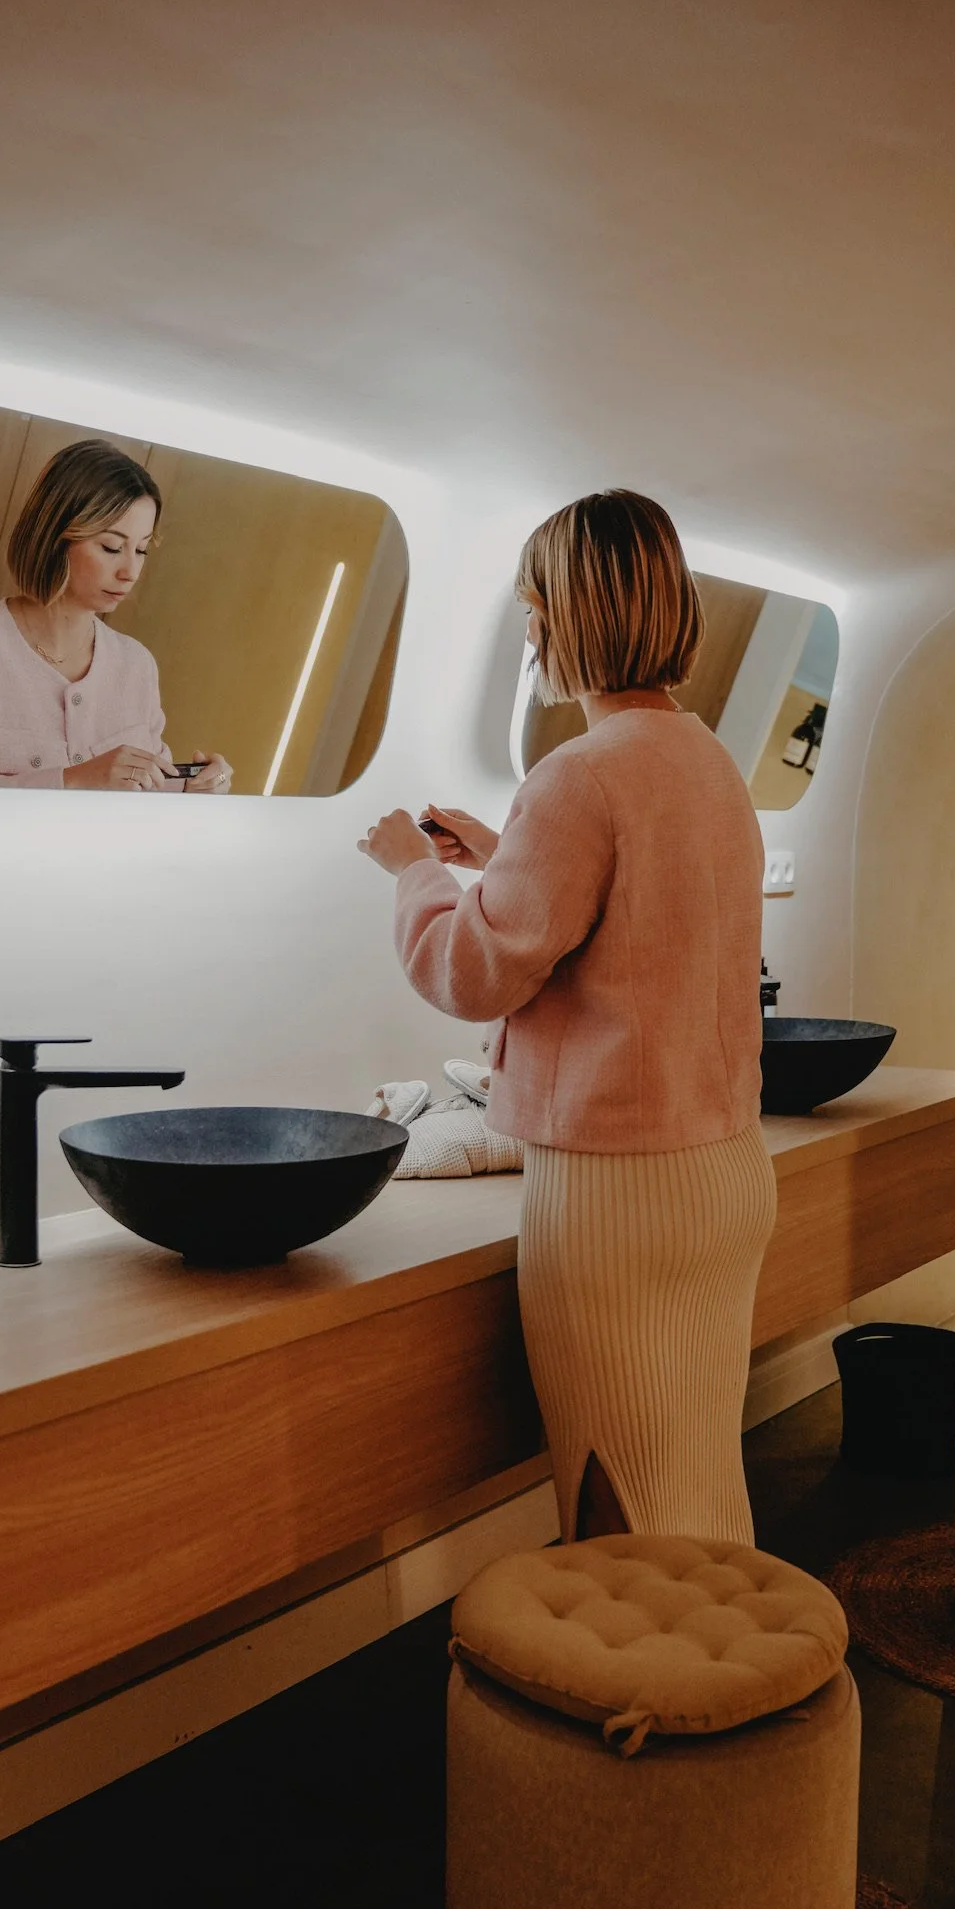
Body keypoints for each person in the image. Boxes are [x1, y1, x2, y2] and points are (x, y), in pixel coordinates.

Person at [358, 490, 772, 1545]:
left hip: (614, 1196)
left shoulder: (577, 775)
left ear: (557, 615)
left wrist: (415, 875)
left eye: (530, 608)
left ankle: (637, 1699)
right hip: (722, 1171)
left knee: (617, 1481)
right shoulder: (711, 764)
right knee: (700, 1470)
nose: (527, 631)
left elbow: (469, 974)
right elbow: (642, 919)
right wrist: (506, 859)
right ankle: (719, 1677)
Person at [0, 439, 232, 792]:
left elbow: (148, 789)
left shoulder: (137, 665)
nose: (130, 570)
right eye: (112, 547)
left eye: (142, 549)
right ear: (56, 537)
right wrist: (74, 779)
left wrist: (195, 789)